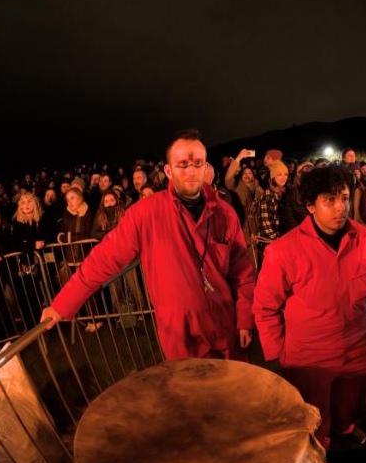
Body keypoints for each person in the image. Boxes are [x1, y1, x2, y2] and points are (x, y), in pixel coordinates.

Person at [37, 130, 257, 361]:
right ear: (168, 171)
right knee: (190, 395)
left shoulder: (225, 213)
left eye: (198, 163)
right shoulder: (145, 214)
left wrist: (244, 319)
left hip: (225, 328)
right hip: (181, 337)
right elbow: (103, 259)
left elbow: (241, 271)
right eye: (183, 164)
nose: (191, 171)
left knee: (232, 393)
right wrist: (62, 304)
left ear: (206, 167)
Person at [252, 164, 366, 450]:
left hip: (358, 349)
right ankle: (318, 449)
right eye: (330, 200)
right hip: (309, 358)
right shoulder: (283, 251)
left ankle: (344, 428)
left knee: (350, 405)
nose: (341, 207)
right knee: (314, 419)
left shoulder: (364, 240)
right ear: (311, 205)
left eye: (345, 198)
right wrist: (281, 353)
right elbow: (265, 307)